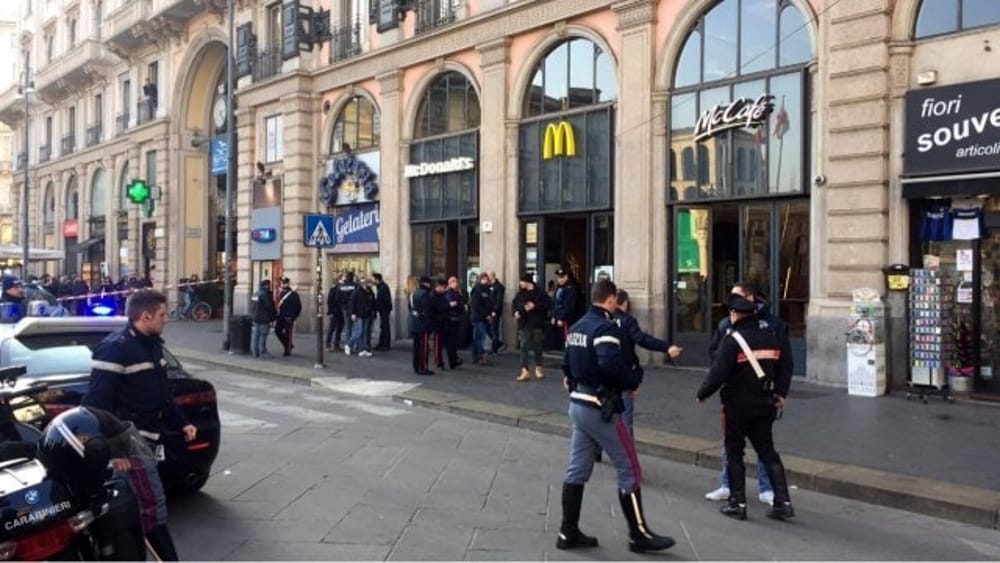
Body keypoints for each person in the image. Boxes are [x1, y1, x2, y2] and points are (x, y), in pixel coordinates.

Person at [557, 279, 674, 553]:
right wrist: (633, 381)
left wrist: (572, 378)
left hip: (578, 404)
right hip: (601, 407)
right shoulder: (604, 328)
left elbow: (565, 365)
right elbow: (610, 364)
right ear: (610, 299)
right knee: (629, 467)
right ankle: (639, 534)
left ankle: (568, 531)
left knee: (577, 469)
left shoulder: (576, 327)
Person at [81, 290, 194, 560]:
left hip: (149, 437)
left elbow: (161, 394)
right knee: (152, 507)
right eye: (163, 315)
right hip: (130, 442)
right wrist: (117, 451)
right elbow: (97, 403)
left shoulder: (152, 344)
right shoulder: (117, 347)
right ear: (145, 316)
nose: (166, 320)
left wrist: (183, 423)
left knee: (146, 505)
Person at [697, 291, 795, 521]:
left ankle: (738, 502)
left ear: (735, 314)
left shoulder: (733, 341)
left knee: (734, 451)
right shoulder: (771, 336)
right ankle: (783, 501)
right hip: (765, 403)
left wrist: (703, 393)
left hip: (738, 405)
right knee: (767, 451)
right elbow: (786, 365)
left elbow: (718, 373)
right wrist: (780, 392)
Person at [614, 289, 683, 434]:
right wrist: (667, 347)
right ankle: (627, 453)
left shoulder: (603, 320)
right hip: (624, 374)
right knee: (625, 417)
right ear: (625, 303)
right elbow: (643, 340)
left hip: (605, 375)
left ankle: (596, 449)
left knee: (603, 416)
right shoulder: (627, 321)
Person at [512, 273, 550, 382]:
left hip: (537, 323)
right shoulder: (520, 294)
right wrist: (515, 312)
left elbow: (548, 304)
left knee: (538, 345)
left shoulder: (540, 293)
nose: (520, 284)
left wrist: (535, 306)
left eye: (522, 281)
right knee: (524, 346)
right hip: (524, 323)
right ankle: (524, 370)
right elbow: (514, 304)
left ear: (528, 282)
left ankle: (539, 367)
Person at [409, 276, 434, 375]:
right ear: (426, 283)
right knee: (423, 348)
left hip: (415, 323)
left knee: (416, 347)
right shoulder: (425, 294)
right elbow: (427, 311)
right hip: (423, 324)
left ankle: (416, 366)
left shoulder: (415, 293)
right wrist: (430, 325)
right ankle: (423, 367)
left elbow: (411, 308)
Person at [468, 273, 494, 365]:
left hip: (484, 317)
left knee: (477, 337)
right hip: (478, 317)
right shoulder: (477, 290)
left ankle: (475, 356)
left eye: (486, 279)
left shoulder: (487, 290)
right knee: (481, 337)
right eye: (483, 279)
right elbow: (476, 305)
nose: (485, 280)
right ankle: (481, 356)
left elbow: (489, 303)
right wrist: (486, 314)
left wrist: (490, 313)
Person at [347, 277, 376, 357]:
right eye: (370, 284)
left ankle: (362, 349)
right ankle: (349, 345)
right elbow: (352, 302)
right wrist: (353, 313)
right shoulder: (357, 291)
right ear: (366, 284)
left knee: (364, 332)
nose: (371, 286)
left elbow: (372, 302)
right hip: (359, 314)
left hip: (367, 315)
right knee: (358, 332)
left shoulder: (369, 291)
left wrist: (373, 312)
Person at [275, 277, 302, 356]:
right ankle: (288, 345)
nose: (282, 285)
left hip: (289, 317)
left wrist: (293, 316)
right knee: (277, 331)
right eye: (282, 283)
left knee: (288, 334)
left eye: (284, 283)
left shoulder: (293, 294)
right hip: (280, 316)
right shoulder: (280, 293)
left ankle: (287, 350)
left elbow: (298, 306)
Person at [443, 276, 465, 369]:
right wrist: (457, 305)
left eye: (455, 281)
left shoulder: (457, 292)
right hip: (451, 319)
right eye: (453, 282)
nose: (455, 283)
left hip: (456, 318)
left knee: (454, 341)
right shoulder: (449, 293)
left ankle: (454, 359)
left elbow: (459, 304)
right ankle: (453, 360)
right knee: (451, 341)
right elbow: (451, 304)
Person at [251, 279, 277, 358]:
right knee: (263, 335)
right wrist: (274, 316)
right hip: (264, 318)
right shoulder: (265, 294)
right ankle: (262, 351)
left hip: (256, 317)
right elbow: (269, 306)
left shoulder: (255, 294)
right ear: (267, 285)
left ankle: (255, 351)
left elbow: (252, 306)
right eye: (269, 285)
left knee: (256, 335)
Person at [553, 268, 579, 345]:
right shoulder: (558, 288)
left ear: (566, 277)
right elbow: (555, 303)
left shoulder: (570, 289)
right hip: (558, 318)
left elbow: (568, 306)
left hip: (566, 319)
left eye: (562, 277)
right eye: (559, 278)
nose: (560, 280)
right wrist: (554, 316)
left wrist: (561, 318)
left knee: (567, 338)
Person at [430, 278, 451, 369]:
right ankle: (438, 361)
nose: (444, 289)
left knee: (443, 343)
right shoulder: (433, 296)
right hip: (438, 322)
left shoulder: (442, 295)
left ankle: (442, 361)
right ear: (438, 286)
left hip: (444, 321)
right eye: (443, 287)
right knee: (438, 344)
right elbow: (438, 307)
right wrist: (448, 306)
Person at [337, 272, 358, 354]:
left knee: (347, 327)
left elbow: (337, 298)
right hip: (354, 309)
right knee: (355, 328)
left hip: (344, 308)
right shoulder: (355, 285)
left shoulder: (341, 286)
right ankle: (352, 344)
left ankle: (348, 344)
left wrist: (341, 306)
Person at [373, 273, 393, 351]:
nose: (372, 281)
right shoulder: (381, 287)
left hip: (384, 310)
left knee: (385, 327)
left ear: (377, 279)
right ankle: (382, 343)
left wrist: (382, 307)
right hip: (383, 310)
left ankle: (385, 344)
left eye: (373, 279)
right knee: (383, 327)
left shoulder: (383, 287)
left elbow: (385, 300)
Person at [488, 271, 506, 354]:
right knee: (490, 329)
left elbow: (499, 300)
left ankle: (494, 348)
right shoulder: (489, 286)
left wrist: (495, 310)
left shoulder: (499, 287)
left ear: (492, 276)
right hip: (489, 311)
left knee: (494, 329)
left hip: (495, 312)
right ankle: (498, 344)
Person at [325, 274, 345, 350]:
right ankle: (328, 344)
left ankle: (337, 344)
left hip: (341, 311)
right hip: (335, 311)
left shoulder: (343, 288)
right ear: (338, 279)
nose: (344, 280)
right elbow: (330, 301)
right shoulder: (334, 288)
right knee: (332, 328)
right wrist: (330, 312)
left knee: (339, 328)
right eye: (342, 279)